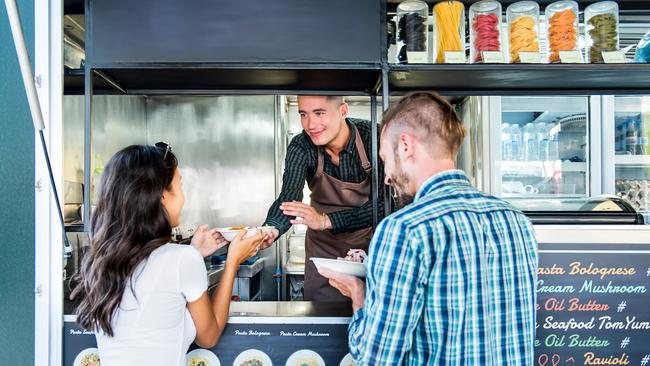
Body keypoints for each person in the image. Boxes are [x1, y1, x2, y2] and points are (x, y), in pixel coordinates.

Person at [321, 92, 538, 365]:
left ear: (405, 146)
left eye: (386, 158)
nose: (386, 176)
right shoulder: (516, 221)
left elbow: (377, 358)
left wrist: (359, 295)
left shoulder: (405, 229)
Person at [70, 143, 266, 366]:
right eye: (179, 185)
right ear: (163, 197)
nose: (183, 198)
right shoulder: (181, 260)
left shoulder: (100, 260)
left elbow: (155, 297)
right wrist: (233, 261)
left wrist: (194, 252)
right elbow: (208, 337)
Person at [261, 96, 384, 301]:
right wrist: (270, 230)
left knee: (369, 310)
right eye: (303, 114)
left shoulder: (375, 137)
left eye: (319, 113)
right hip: (322, 253)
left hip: (369, 250)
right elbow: (289, 196)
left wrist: (326, 220)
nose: (310, 125)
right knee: (321, 318)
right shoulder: (302, 145)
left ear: (343, 111)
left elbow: (386, 206)